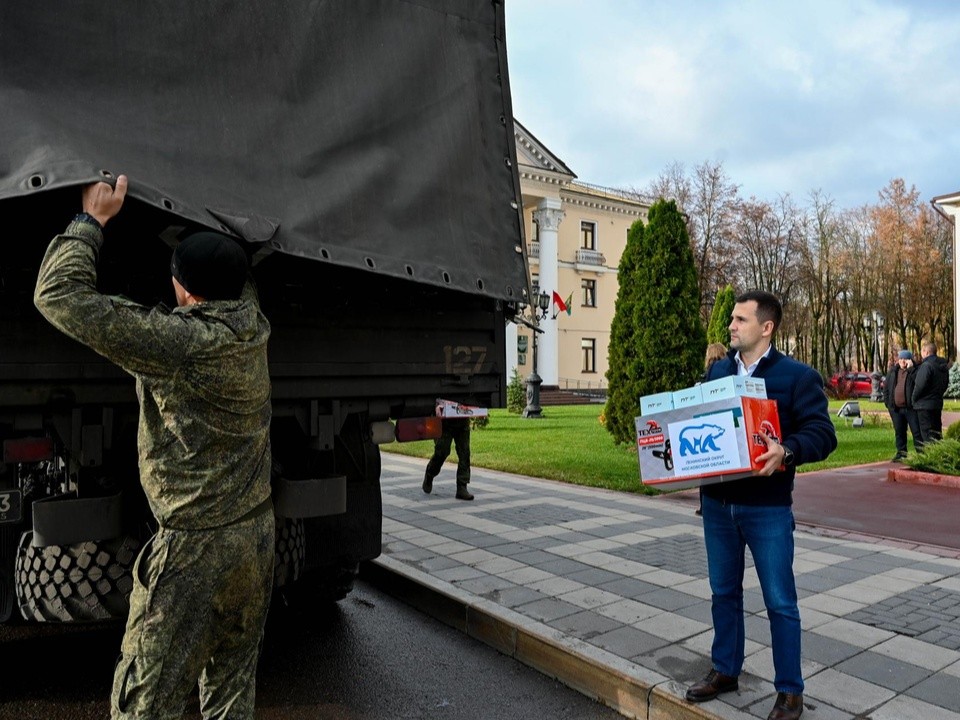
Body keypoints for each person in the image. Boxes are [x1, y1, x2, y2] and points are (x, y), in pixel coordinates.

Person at [34, 175, 275, 720]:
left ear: (185, 292)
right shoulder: (254, 324)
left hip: (193, 553)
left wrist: (89, 221)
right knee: (231, 691)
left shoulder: (181, 343)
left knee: (144, 704)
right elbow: (237, 273)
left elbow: (59, 295)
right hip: (255, 537)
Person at [685, 290, 836, 720]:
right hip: (717, 504)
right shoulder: (716, 371)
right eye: (732, 319)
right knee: (723, 593)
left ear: (766, 327)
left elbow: (823, 435)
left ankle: (790, 692)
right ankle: (725, 670)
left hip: (767, 509)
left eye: (739, 320)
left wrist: (786, 451)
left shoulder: (796, 376)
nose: (730, 325)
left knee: (780, 602)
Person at [885, 349, 923, 460]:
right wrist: (888, 404)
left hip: (911, 408)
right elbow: (886, 388)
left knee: (916, 432)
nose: (902, 361)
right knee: (899, 432)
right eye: (901, 359)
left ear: (910, 360)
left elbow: (918, 383)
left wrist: (911, 369)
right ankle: (901, 453)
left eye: (905, 359)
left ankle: (921, 454)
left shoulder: (915, 371)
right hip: (896, 409)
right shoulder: (893, 372)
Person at [423, 417, 474, 500]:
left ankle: (462, 487)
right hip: (444, 421)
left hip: (462, 420)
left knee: (464, 454)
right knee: (442, 452)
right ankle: (430, 472)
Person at [912, 341, 950, 444]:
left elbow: (919, 385)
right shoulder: (943, 366)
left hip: (924, 405)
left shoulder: (926, 366)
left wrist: (914, 398)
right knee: (937, 434)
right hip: (936, 403)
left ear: (926, 352)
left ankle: (930, 458)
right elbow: (945, 384)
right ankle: (939, 457)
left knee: (927, 436)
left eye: (922, 352)